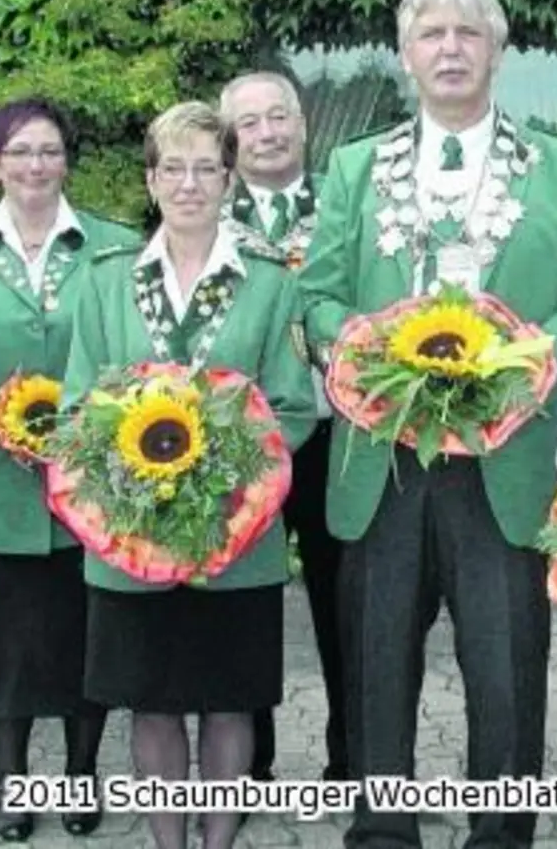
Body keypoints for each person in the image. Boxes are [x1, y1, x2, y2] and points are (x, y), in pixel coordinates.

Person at [295, 0, 557, 847]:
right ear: (404, 55)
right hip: (383, 459)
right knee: (376, 664)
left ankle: (503, 833)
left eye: (467, 34)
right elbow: (317, 298)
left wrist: (517, 364)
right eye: (431, 34)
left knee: (505, 666)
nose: (449, 49)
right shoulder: (355, 168)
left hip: (505, 462)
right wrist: (366, 346)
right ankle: (383, 831)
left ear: (497, 52)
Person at [60, 100, 317, 849]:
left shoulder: (271, 284)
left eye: (207, 168)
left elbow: (295, 407)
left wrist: (232, 472)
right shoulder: (106, 281)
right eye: (173, 167)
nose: (190, 183)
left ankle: (218, 844)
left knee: (229, 702)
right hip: (129, 537)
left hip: (235, 535)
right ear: (150, 179)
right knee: (152, 703)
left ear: (231, 180)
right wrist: (123, 484)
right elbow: (78, 408)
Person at [0, 97, 140, 842]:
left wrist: (92, 422)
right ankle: (10, 785)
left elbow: (133, 346)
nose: (35, 166)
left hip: (89, 486)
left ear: (66, 160)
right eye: (20, 152)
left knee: (88, 643)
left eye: (48, 151)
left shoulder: (113, 246)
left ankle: (81, 776)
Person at [214, 70, 350, 785]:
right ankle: (250, 762)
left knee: (345, 607)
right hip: (246, 444)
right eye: (250, 122)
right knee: (247, 604)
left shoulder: (349, 202)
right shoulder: (206, 214)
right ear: (229, 138)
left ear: (303, 123)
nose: (267, 133)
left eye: (279, 117)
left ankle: (351, 758)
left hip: (336, 439)